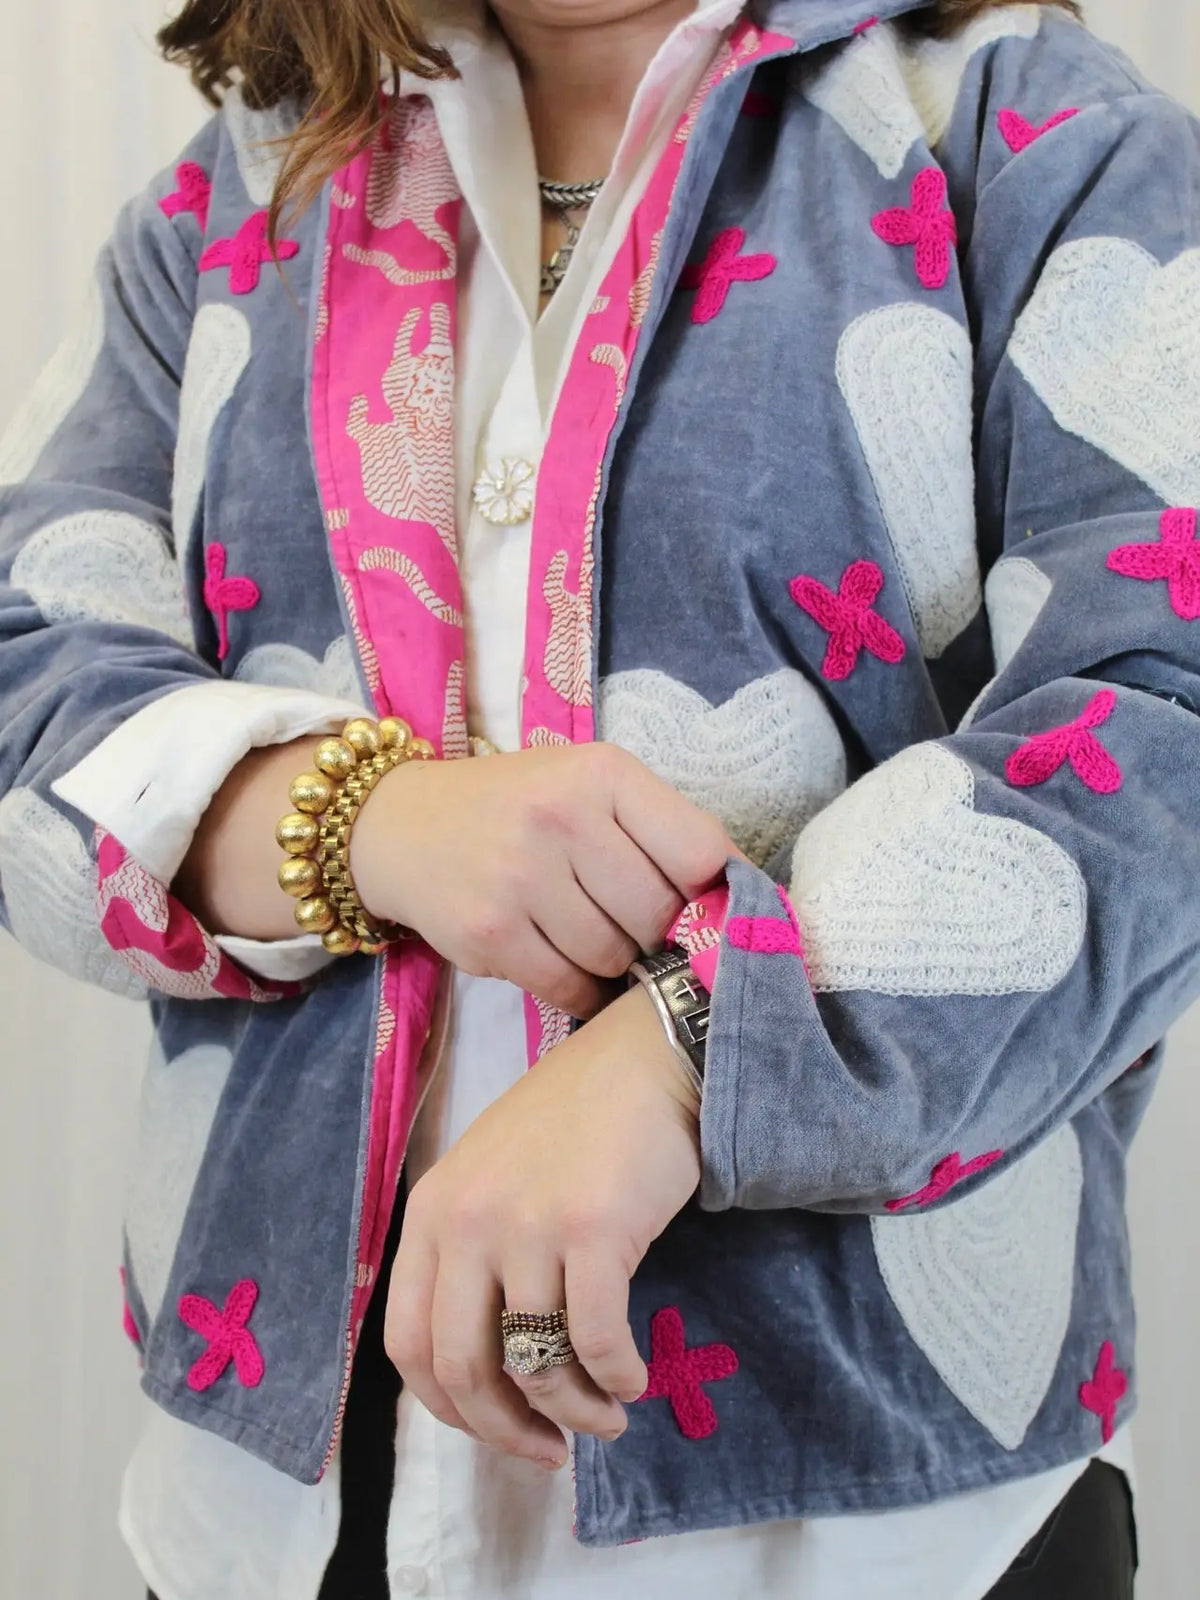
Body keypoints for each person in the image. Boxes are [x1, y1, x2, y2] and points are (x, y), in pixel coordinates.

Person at [7, 0, 1195, 1590]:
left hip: (882, 1527)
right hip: (270, 1521)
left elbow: (1160, 714)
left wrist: (699, 1046)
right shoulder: (232, 194)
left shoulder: (1036, 131)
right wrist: (353, 821)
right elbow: (29, 676)